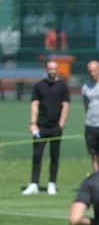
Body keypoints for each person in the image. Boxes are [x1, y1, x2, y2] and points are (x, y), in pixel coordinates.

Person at [22, 60, 70, 196]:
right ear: (46, 70)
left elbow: (65, 105)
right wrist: (33, 123)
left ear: (57, 70)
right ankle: (34, 184)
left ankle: (51, 184)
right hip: (40, 127)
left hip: (55, 127)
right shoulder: (39, 86)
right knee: (37, 156)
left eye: (55, 69)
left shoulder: (63, 86)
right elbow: (34, 104)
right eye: (50, 69)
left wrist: (61, 124)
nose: (52, 71)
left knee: (54, 156)